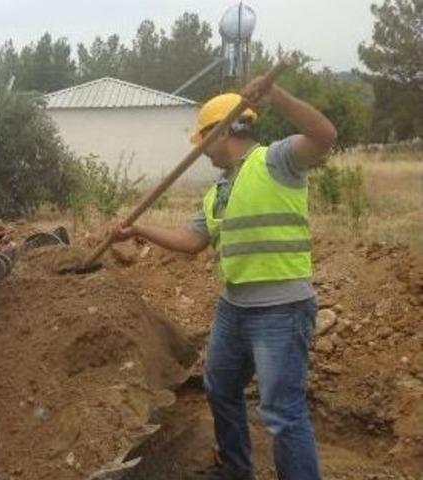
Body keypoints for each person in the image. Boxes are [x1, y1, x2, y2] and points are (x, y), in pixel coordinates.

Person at [109, 76, 337, 480]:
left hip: (280, 310)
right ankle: (235, 468)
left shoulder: (276, 160)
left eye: (202, 139)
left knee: (282, 413)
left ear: (221, 131)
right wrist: (138, 231)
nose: (199, 150)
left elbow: (323, 135)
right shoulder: (220, 191)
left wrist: (277, 96)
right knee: (220, 386)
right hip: (235, 307)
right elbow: (192, 240)